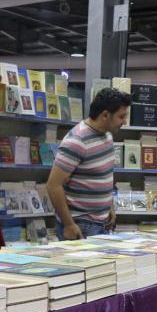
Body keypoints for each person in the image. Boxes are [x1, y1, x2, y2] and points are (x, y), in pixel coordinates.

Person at [47, 88, 131, 240]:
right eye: (121, 117)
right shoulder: (77, 140)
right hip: (80, 224)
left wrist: (109, 207)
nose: (124, 122)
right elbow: (53, 185)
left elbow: (104, 177)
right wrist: (68, 224)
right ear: (105, 115)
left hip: (102, 222)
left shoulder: (107, 136)